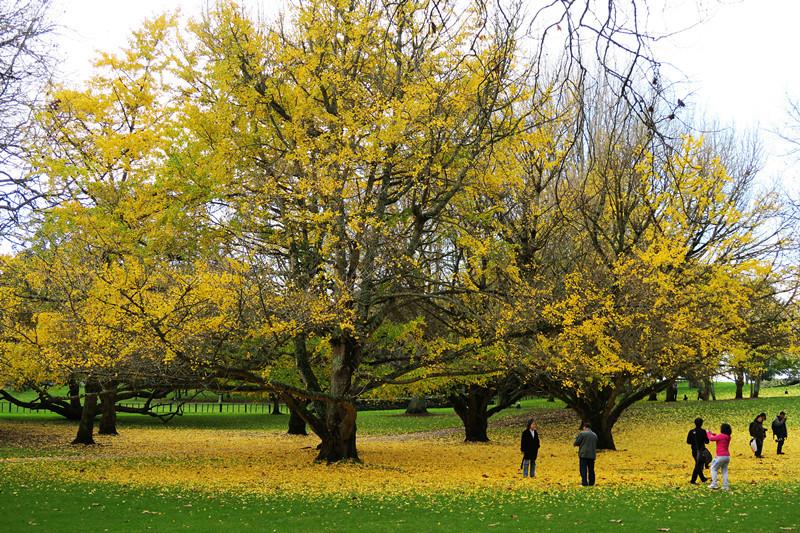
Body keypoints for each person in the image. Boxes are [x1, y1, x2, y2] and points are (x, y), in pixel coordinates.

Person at [707, 423, 732, 491]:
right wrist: (713, 433)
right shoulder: (728, 436)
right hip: (727, 456)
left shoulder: (721, 436)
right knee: (724, 471)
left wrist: (708, 433)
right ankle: (725, 486)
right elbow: (718, 437)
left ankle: (714, 484)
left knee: (713, 468)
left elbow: (711, 439)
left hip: (720, 456)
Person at [574, 421, 598, 486]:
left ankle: (584, 482)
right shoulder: (594, 435)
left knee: (583, 469)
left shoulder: (582, 434)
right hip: (592, 455)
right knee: (591, 469)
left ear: (585, 427)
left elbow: (577, 442)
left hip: (584, 454)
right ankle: (591, 482)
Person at [686, 417, 710, 484]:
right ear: (702, 424)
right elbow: (707, 441)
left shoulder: (691, 431)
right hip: (701, 450)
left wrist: (694, 442)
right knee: (698, 465)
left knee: (699, 464)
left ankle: (703, 479)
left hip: (694, 450)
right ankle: (693, 480)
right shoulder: (703, 431)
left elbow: (688, 441)